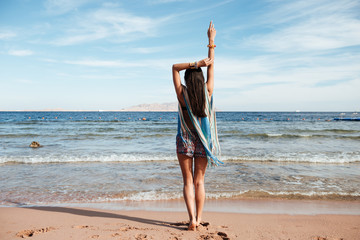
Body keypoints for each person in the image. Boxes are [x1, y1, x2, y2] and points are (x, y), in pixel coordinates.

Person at [172, 21, 222, 231]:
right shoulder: (207, 92)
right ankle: (199, 218)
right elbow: (212, 69)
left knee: (187, 182)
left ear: (187, 79)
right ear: (201, 80)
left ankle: (191, 218)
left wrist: (194, 64)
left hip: (185, 140)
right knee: (200, 181)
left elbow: (174, 67)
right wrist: (211, 41)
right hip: (203, 140)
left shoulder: (182, 95)